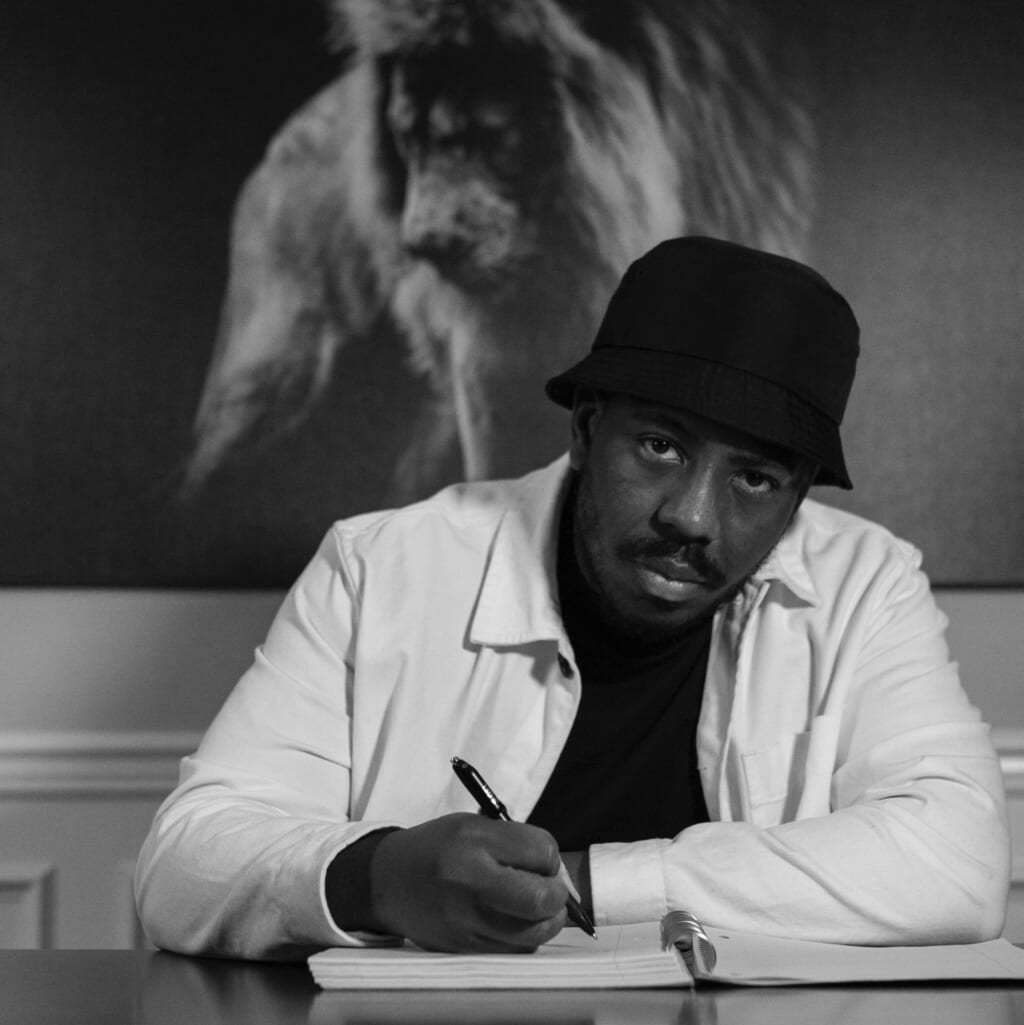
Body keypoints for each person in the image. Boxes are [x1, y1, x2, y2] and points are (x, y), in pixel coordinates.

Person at [135, 237, 1010, 960]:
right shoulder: (383, 568)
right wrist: (382, 876)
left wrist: (587, 884)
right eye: (662, 446)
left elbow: (959, 862)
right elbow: (181, 864)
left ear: (799, 496)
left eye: (755, 478)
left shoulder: (866, 584)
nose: (692, 517)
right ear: (588, 428)